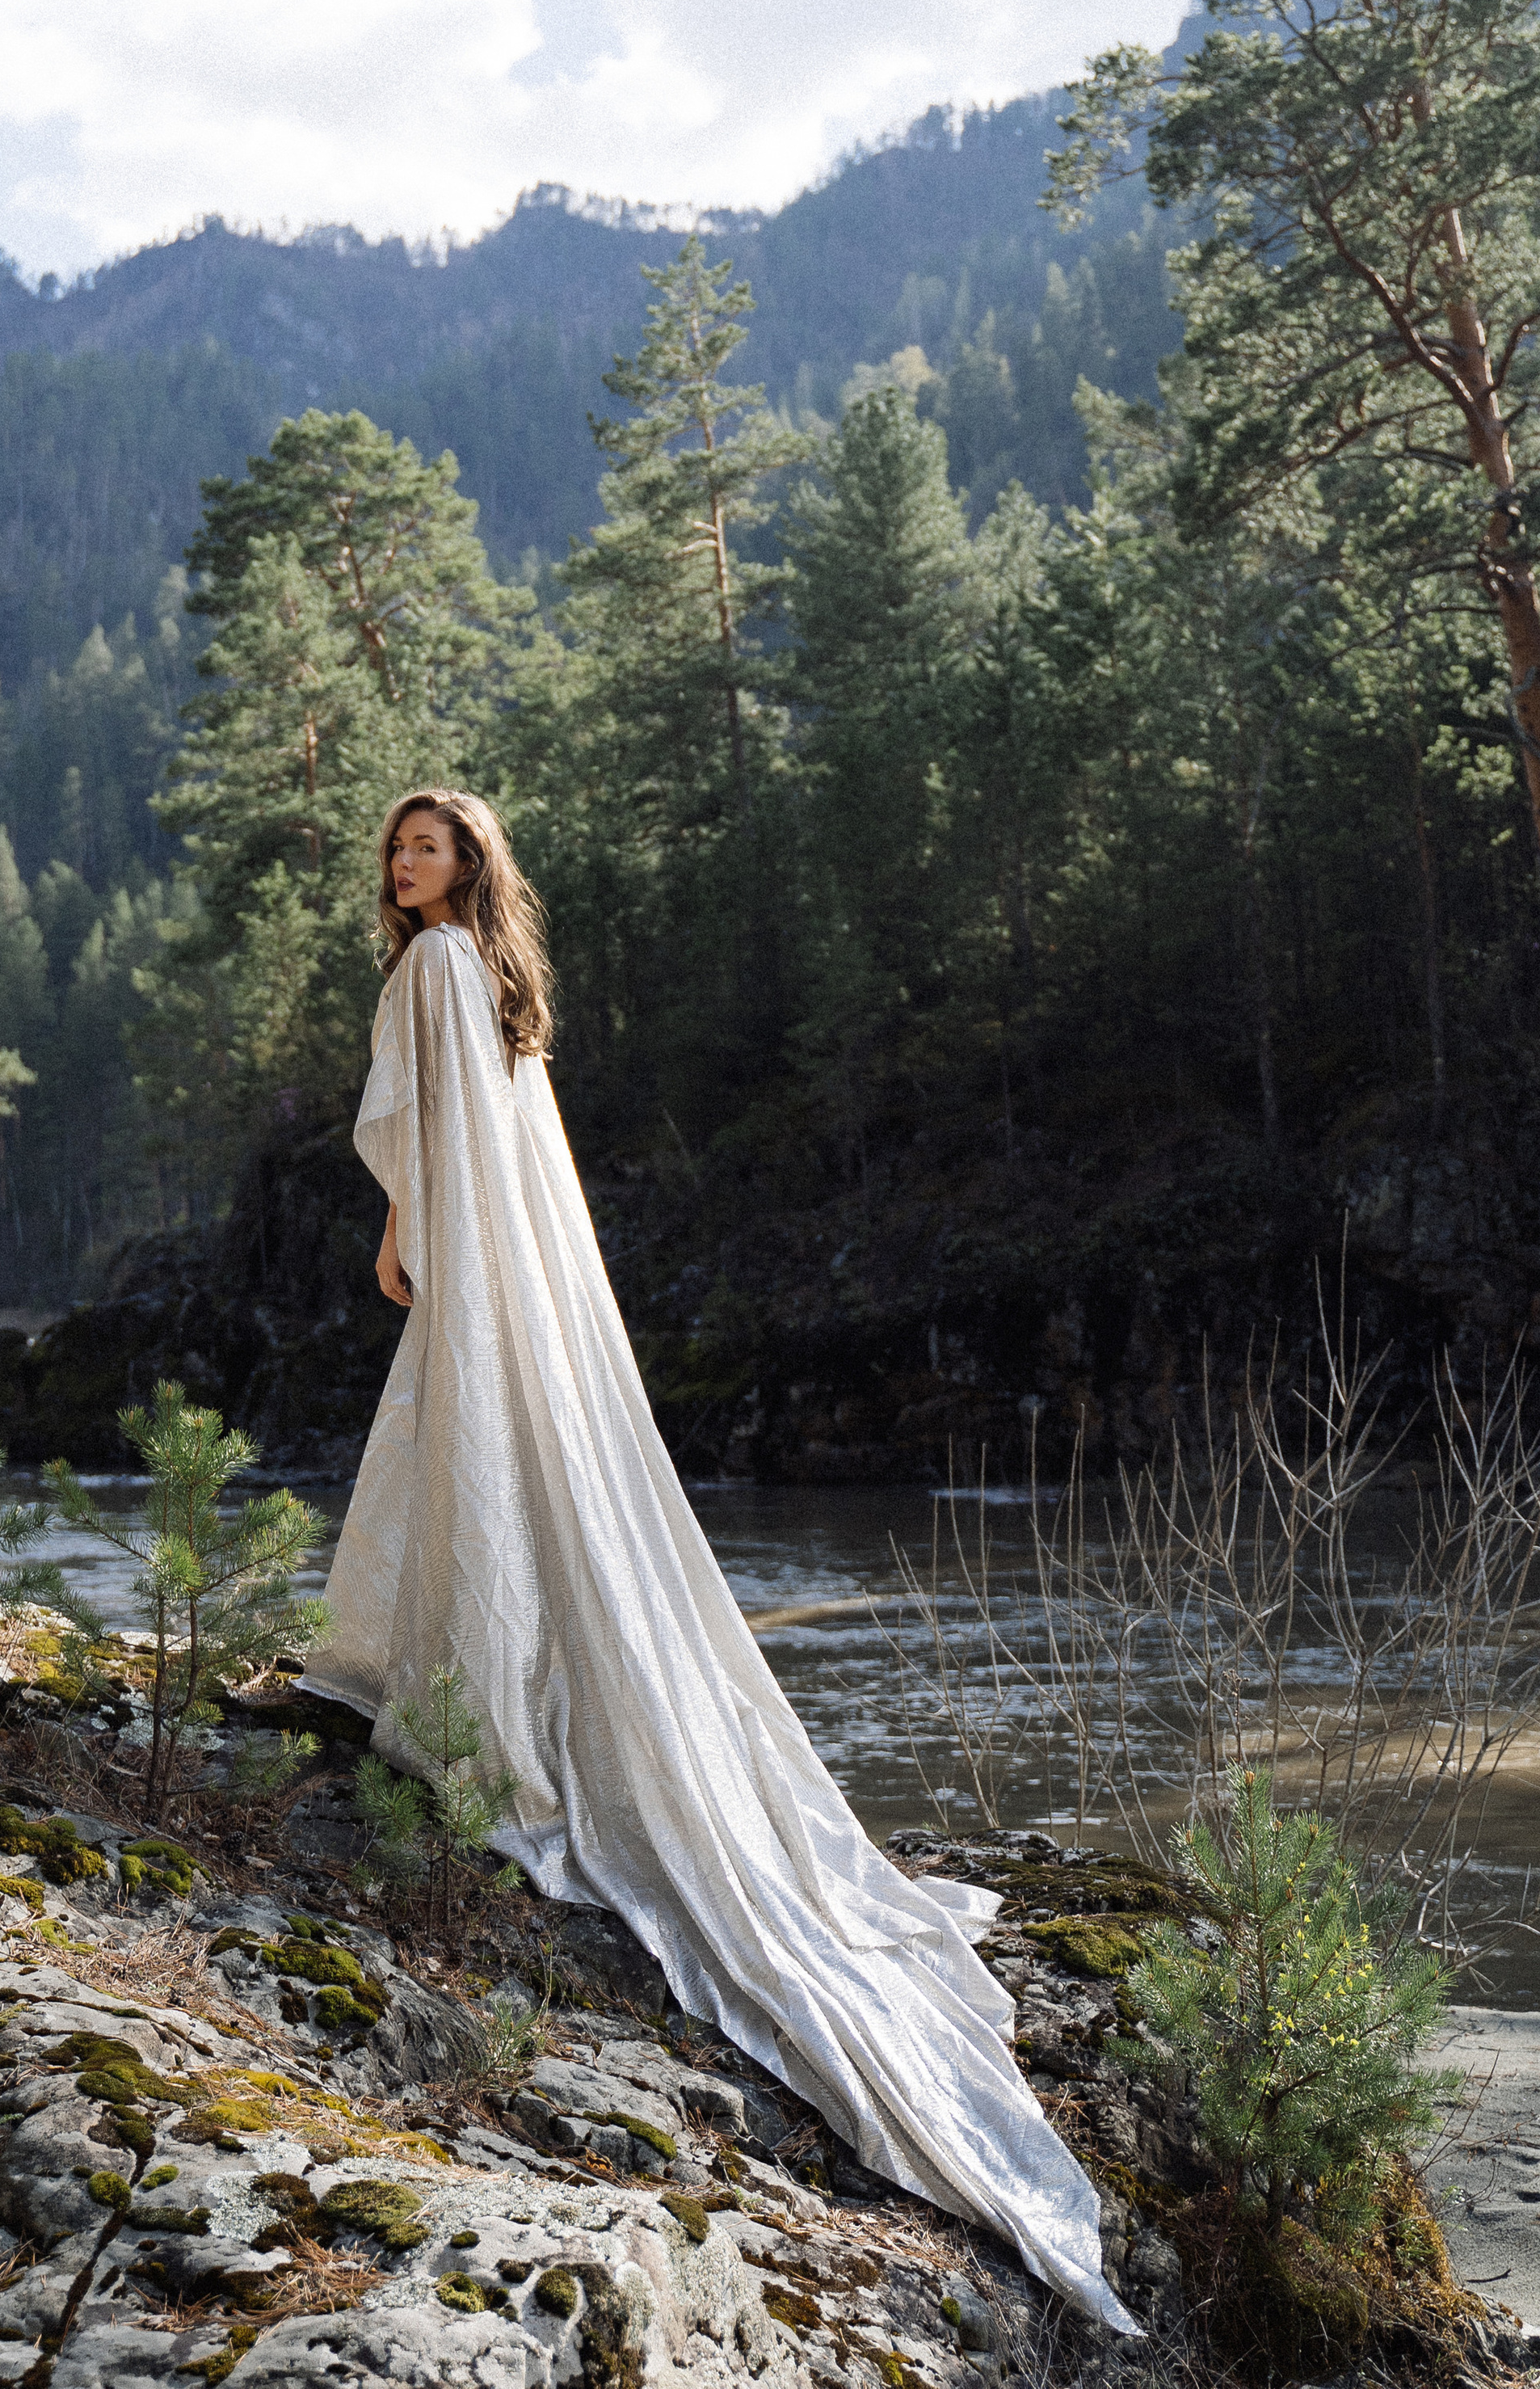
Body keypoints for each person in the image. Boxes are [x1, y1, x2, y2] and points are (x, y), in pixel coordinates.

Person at [301, 786, 1131, 2330]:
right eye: (401, 850)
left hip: (482, 1257)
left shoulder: (430, 972)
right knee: (485, 1463)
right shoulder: (495, 975)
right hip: (525, 1272)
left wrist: (403, 1227)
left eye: (434, 850)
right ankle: (470, 1675)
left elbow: (423, 1131)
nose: (407, 868)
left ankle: (468, 1693)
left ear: (473, 868)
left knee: (466, 1459)